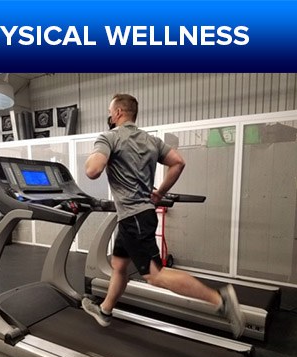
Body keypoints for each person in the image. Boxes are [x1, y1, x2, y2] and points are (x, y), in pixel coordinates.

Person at [82, 93, 245, 338]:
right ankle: (105, 310)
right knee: (119, 265)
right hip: (136, 216)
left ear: (116, 113)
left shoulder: (109, 137)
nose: (109, 116)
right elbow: (178, 162)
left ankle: (219, 299)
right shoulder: (150, 140)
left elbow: (92, 170)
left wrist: (94, 155)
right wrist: (158, 193)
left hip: (134, 218)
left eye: (110, 112)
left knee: (155, 274)